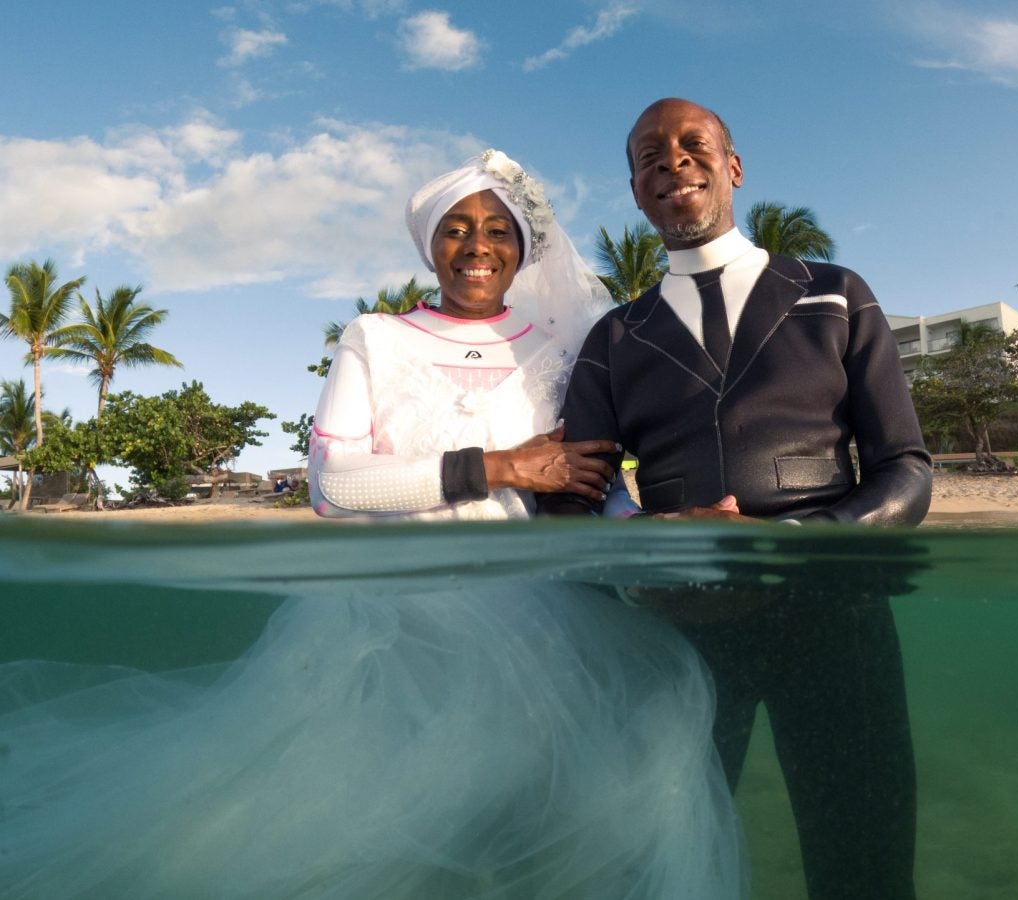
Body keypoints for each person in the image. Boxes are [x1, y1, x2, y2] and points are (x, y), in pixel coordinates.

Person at [0, 151, 744, 898]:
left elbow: (589, 489)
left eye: (497, 229)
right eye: (455, 229)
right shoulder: (374, 338)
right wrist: (500, 466)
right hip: (389, 636)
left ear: (522, 248)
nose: (477, 245)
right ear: (430, 247)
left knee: (535, 844)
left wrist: (663, 524)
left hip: (548, 637)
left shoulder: (566, 352)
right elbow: (332, 487)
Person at [538, 99, 933, 900]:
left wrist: (796, 544)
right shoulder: (614, 340)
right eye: (650, 155)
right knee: (669, 872)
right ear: (637, 192)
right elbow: (568, 504)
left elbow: (907, 471)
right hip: (680, 637)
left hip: (836, 619)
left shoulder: (834, 295)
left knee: (865, 860)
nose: (673, 160)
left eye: (693, 145)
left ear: (734, 167)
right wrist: (642, 552)